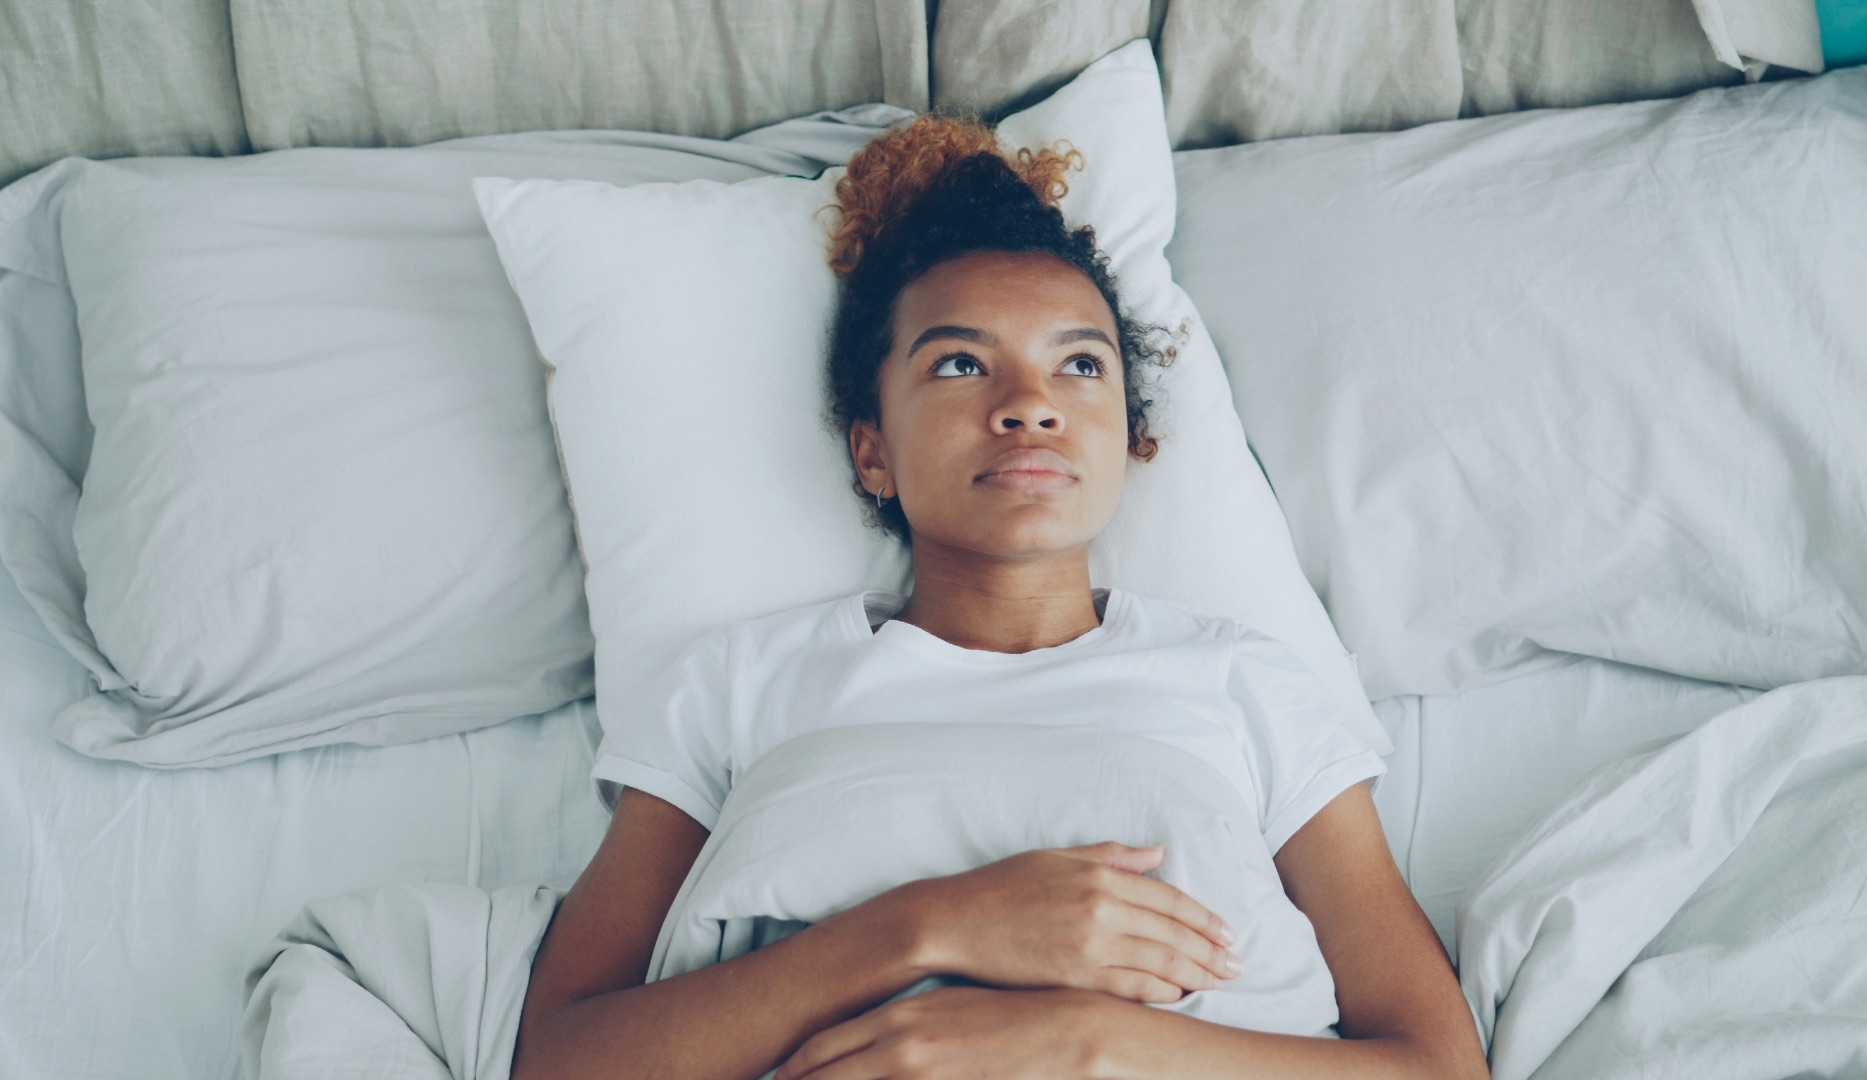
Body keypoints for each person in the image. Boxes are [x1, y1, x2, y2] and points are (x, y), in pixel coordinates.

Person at [510, 114, 1488, 1080]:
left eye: (1080, 364)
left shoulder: (1248, 684)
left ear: (1129, 438)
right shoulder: (737, 684)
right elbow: (558, 1060)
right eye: (961, 363)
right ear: (873, 452)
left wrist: (1090, 1042)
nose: (1028, 402)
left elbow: (1441, 1064)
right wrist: (931, 924)